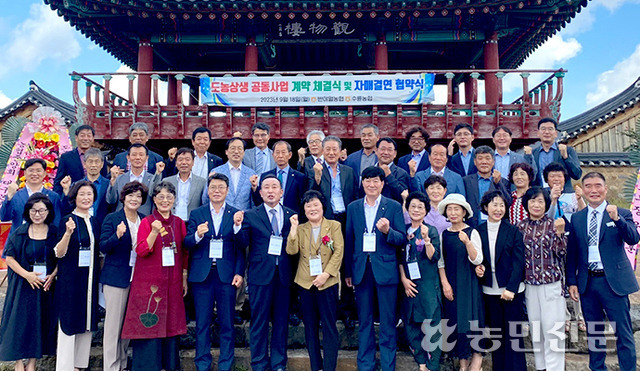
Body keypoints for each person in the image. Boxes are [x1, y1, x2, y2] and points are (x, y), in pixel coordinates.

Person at [567, 172, 639, 371]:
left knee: (623, 333)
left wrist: (618, 220)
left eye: (598, 185)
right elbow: (572, 252)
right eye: (588, 186)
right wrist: (571, 281)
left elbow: (633, 238)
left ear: (605, 189)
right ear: (583, 190)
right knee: (594, 333)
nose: (593, 190)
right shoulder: (577, 218)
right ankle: (597, 368)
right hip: (588, 283)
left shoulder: (621, 213)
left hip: (613, 282)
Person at [121, 182, 188, 371]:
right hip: (150, 283)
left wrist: (183, 277)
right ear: (154, 200)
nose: (165, 201)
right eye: (161, 197)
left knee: (171, 323)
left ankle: (169, 366)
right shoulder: (146, 222)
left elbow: (184, 253)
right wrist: (154, 232)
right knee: (150, 323)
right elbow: (141, 250)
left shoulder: (179, 223)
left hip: (173, 281)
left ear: (174, 200)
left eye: (169, 197)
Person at [344, 166, 405, 371]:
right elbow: (349, 239)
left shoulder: (393, 206)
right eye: (367, 180)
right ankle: (365, 365)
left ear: (382, 183)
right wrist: (348, 272)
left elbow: (401, 239)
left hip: (386, 270)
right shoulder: (353, 207)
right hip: (361, 270)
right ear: (362, 183)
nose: (371, 184)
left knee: (388, 322)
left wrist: (388, 231)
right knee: (365, 320)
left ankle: (388, 366)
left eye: (375, 181)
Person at [184, 173, 245, 371]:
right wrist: (197, 235)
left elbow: (242, 246)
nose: (217, 191)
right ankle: (202, 364)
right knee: (202, 323)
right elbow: (187, 243)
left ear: (227, 191)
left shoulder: (236, 214)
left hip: (226, 275)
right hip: (202, 276)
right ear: (207, 191)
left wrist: (239, 272)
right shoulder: (197, 214)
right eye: (213, 187)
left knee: (227, 322)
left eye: (221, 187)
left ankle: (226, 364)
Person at [240, 175, 296, 371]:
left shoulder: (292, 215)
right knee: (259, 323)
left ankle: (279, 364)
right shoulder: (251, 215)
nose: (271, 191)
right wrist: (238, 226)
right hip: (260, 276)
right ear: (260, 192)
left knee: (281, 323)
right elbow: (242, 243)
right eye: (266, 188)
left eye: (275, 187)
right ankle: (259, 363)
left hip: (284, 276)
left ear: (281, 192)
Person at [286, 190, 344, 371]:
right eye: (308, 205)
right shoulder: (302, 228)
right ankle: (316, 367)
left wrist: (326, 274)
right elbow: (291, 250)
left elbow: (338, 252)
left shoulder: (334, 225)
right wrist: (294, 229)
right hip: (305, 283)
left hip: (327, 282)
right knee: (310, 328)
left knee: (329, 326)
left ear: (322, 206)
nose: (312, 208)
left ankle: (329, 367)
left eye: (315, 205)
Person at [0, 194, 58, 371]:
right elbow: (9, 258)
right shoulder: (20, 232)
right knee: (19, 322)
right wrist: (27, 275)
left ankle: (32, 362)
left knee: (38, 322)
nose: (37, 214)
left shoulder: (54, 232)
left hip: (45, 286)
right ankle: (18, 362)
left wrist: (54, 274)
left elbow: (61, 258)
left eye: (41, 210)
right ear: (28, 212)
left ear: (48, 212)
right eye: (33, 210)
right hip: (23, 286)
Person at [309, 135, 359, 329]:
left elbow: (354, 195)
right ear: (322, 151)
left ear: (340, 151)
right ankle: (323, 311)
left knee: (346, 261)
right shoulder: (315, 169)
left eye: (334, 149)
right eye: (327, 149)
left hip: (345, 220)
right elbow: (310, 195)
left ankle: (347, 310)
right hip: (326, 222)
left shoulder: (348, 171)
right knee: (326, 259)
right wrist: (317, 178)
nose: (331, 153)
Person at [474, 190, 526, 371]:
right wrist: (479, 269)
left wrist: (511, 288)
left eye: (502, 205)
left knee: (514, 335)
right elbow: (477, 258)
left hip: (512, 291)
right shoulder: (478, 231)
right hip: (490, 291)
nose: (498, 209)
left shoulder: (513, 231)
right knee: (497, 336)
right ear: (486, 207)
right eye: (494, 204)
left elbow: (519, 262)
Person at [516, 187, 567, 371]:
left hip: (551, 284)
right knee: (537, 331)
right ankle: (541, 367)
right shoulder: (521, 227)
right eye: (532, 201)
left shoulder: (554, 224)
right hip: (530, 284)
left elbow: (561, 253)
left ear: (546, 204)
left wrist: (560, 233)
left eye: (540, 201)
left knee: (553, 331)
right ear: (526, 203)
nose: (536, 205)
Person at [99, 181, 148, 371]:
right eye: (131, 195)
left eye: (138, 196)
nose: (134, 199)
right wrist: (117, 236)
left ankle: (122, 364)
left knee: (128, 324)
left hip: (137, 277)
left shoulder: (144, 220)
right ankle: (111, 367)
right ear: (124, 197)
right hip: (116, 278)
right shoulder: (112, 219)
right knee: (113, 326)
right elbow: (103, 247)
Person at [54, 180, 101, 371]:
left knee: (86, 321)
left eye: (89, 194)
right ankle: (65, 366)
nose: (86, 198)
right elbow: (58, 252)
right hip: (70, 280)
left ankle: (79, 365)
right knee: (69, 321)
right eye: (82, 194)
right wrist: (68, 233)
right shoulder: (67, 220)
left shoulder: (94, 221)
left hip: (89, 279)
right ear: (75, 197)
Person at [437, 193, 484, 371]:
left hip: (469, 282)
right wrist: (444, 283)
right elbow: (440, 261)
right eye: (450, 209)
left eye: (457, 209)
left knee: (472, 318)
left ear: (464, 212)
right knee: (456, 320)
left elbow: (477, 259)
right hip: (452, 283)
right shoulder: (444, 234)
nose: (453, 213)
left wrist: (467, 243)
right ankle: (463, 364)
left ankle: (476, 360)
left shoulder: (472, 232)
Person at [399, 192, 441, 371]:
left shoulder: (430, 230)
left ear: (426, 211)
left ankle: (432, 365)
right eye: (413, 206)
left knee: (432, 323)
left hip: (427, 285)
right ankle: (421, 361)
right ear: (407, 209)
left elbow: (434, 257)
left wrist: (426, 240)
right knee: (410, 323)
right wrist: (403, 280)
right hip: (409, 284)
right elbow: (399, 258)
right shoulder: (403, 229)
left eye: (420, 207)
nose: (416, 210)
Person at [1, 158, 62, 239]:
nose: (34, 173)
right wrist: (8, 198)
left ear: (44, 173)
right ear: (25, 173)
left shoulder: (53, 197)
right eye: (31, 170)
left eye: (38, 170)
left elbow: (56, 222)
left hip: (44, 243)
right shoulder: (15, 195)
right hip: (18, 242)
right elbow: (4, 217)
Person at [107, 144, 163, 215]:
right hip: (122, 221)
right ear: (128, 157)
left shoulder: (153, 178)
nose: (137, 158)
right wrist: (113, 181)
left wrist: (158, 173)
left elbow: (155, 196)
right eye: (134, 154)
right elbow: (111, 200)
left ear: (146, 158)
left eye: (141, 155)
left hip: (145, 220)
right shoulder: (119, 178)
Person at [527, 117, 582, 190]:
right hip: (540, 195)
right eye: (543, 129)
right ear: (538, 133)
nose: (547, 132)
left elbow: (577, 175)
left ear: (556, 133)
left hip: (563, 194)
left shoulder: (568, 150)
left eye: (550, 129)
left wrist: (566, 157)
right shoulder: (533, 153)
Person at [253, 141, 308, 213]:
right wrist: (254, 189)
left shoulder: (300, 177)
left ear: (290, 155)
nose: (280, 155)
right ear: (273, 155)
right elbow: (260, 200)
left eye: (283, 152)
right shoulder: (265, 176)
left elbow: (303, 201)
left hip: (292, 216)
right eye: (277, 152)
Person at [60, 148, 111, 224]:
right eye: (90, 162)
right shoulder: (76, 185)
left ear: (102, 164)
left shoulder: (109, 184)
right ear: (84, 164)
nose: (93, 165)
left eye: (97, 162)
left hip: (103, 225)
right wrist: (66, 192)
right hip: (81, 225)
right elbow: (67, 209)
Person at [462, 145, 511, 225]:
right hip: (472, 225)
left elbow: (508, 202)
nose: (484, 162)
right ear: (475, 162)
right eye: (480, 158)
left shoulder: (503, 181)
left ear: (493, 161)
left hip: (495, 225)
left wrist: (498, 183)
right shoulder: (466, 181)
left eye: (487, 158)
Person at [53, 125, 108, 194]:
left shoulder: (100, 157)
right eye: (82, 135)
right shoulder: (66, 157)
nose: (85, 138)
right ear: (76, 138)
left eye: (88, 136)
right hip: (73, 197)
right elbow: (58, 181)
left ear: (93, 138)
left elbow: (104, 177)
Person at [208, 137, 257, 211]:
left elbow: (254, 202)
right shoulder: (216, 172)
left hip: (244, 217)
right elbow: (206, 198)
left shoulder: (251, 174)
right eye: (233, 148)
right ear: (226, 152)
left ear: (244, 152)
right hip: (222, 216)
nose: (236, 152)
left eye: (239, 148)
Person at [163, 148, 206, 221]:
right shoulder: (167, 181)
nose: (184, 162)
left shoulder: (202, 182)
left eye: (187, 159)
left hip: (193, 221)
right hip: (171, 221)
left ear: (193, 163)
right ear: (176, 163)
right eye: (180, 160)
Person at [373, 137, 410, 204]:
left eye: (390, 150)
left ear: (395, 154)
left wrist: (389, 176)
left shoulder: (402, 173)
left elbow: (401, 196)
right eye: (383, 149)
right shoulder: (369, 171)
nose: (386, 153)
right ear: (376, 150)